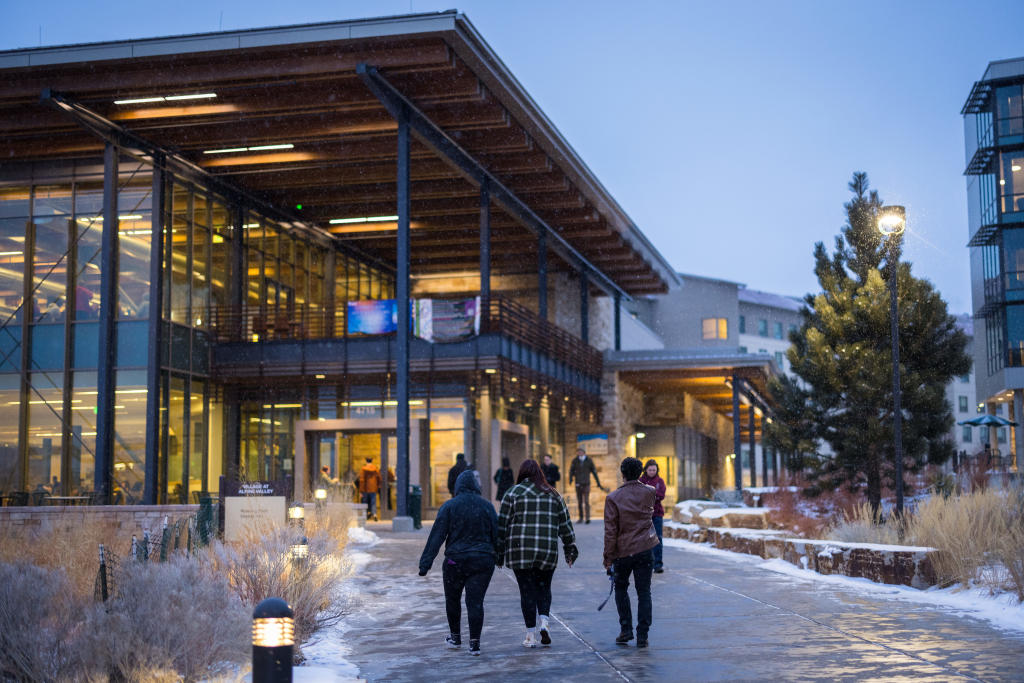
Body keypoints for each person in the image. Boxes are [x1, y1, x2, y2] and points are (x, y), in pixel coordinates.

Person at [497, 459, 578, 649]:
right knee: (544, 588)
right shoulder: (553, 494)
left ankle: (530, 635)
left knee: (526, 592)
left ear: (522, 473)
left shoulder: (512, 493)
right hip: (546, 550)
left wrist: (499, 552)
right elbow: (565, 525)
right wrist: (570, 548)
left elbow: (502, 525)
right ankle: (544, 622)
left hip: (520, 551)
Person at [418, 469, 498, 656]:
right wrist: (499, 557)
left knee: (452, 599)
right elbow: (497, 533)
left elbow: (436, 536)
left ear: (458, 486)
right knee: (475, 602)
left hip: (456, 561)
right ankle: (475, 643)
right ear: (477, 486)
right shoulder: (487, 506)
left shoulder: (450, 506)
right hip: (482, 561)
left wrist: (425, 564)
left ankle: (455, 637)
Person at [603, 457, 659, 649]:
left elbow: (611, 531)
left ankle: (626, 629)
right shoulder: (650, 492)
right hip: (644, 548)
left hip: (623, 551)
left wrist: (608, 557)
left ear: (622, 473)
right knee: (644, 591)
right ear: (641, 472)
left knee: (621, 588)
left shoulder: (613, 498)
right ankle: (642, 634)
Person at [638, 459, 667, 573]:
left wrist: (649, 494)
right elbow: (639, 495)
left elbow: (661, 495)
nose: (652, 472)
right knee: (643, 540)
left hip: (657, 514)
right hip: (643, 515)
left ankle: (658, 564)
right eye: (650, 470)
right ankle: (644, 564)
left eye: (654, 470)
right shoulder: (640, 481)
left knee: (657, 539)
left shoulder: (660, 481)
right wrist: (653, 494)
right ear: (646, 470)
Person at [568, 448, 604, 524]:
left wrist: (598, 482)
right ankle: (581, 517)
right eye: (578, 452)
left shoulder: (589, 460)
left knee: (586, 501)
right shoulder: (575, 461)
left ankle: (587, 518)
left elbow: (594, 471)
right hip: (578, 483)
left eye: (581, 452)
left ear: (584, 452)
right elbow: (571, 471)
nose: (580, 453)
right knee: (579, 501)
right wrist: (570, 479)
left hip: (586, 483)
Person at [358, 457, 382, 521]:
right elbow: (379, 478)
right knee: (373, 502)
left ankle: (364, 514)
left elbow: (362, 480)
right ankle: (374, 514)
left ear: (366, 461)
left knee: (365, 502)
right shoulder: (376, 469)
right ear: (372, 461)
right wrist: (378, 486)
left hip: (365, 488)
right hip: (373, 488)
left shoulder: (363, 469)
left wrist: (361, 490)